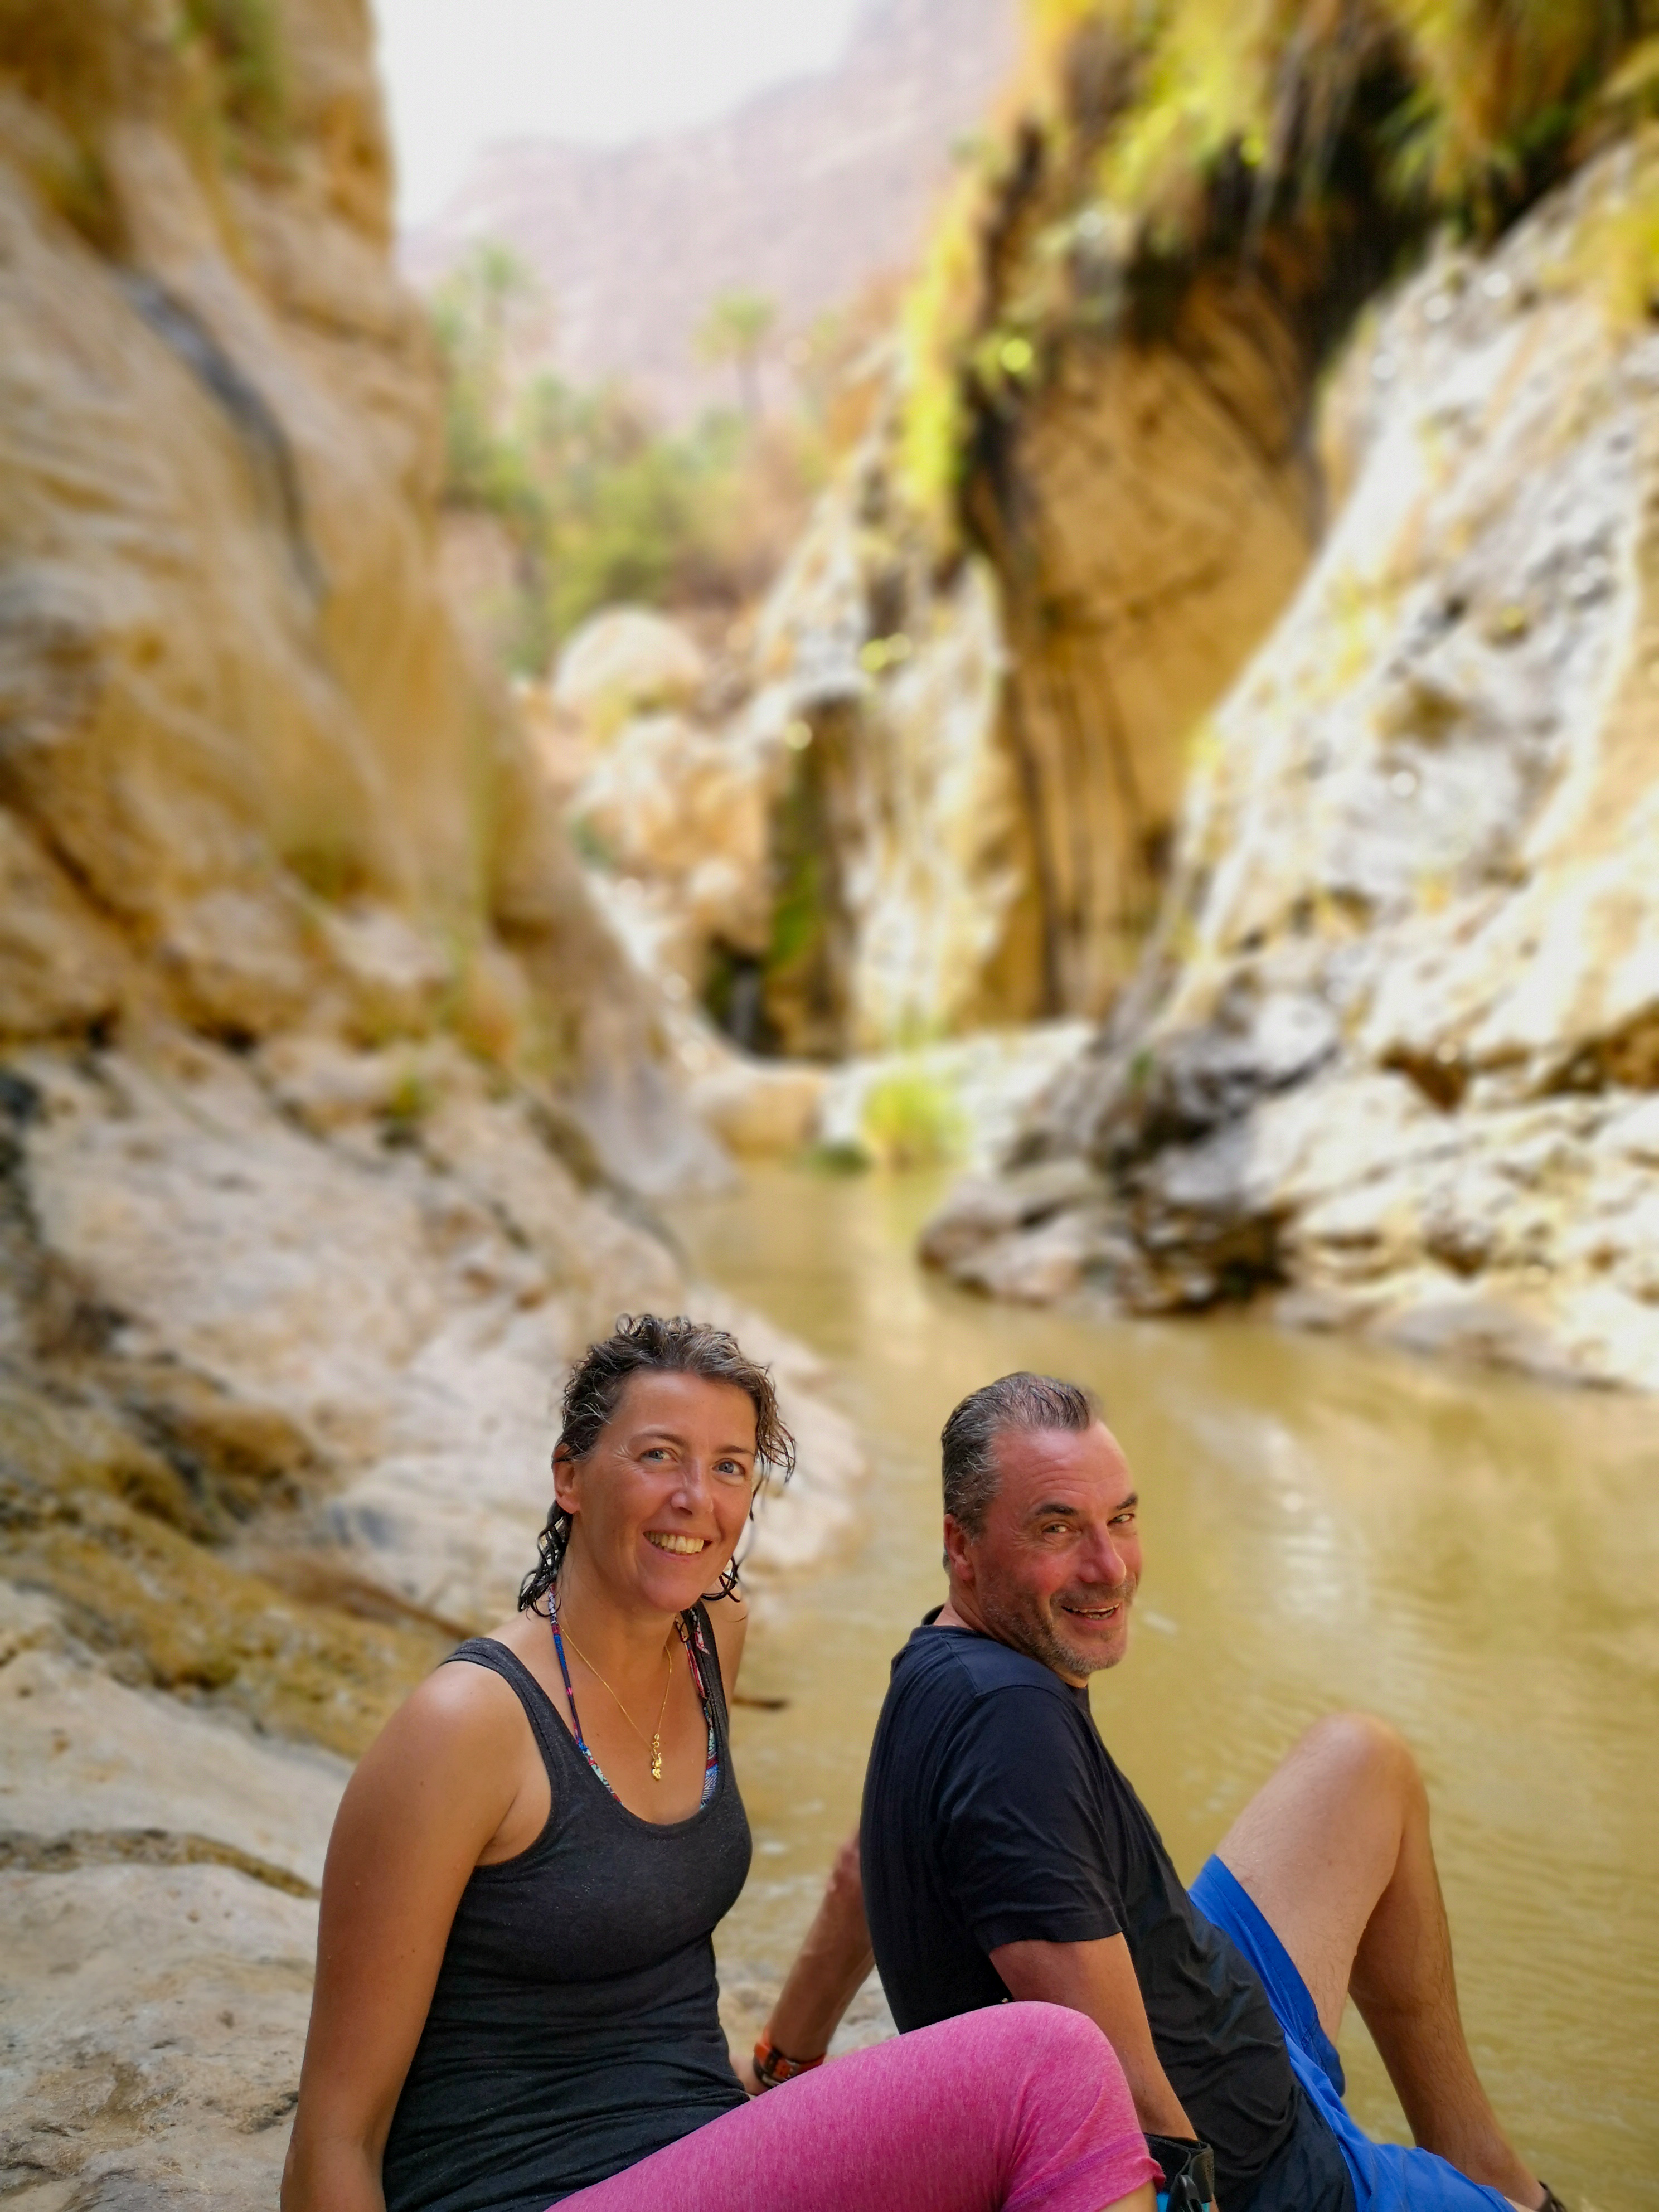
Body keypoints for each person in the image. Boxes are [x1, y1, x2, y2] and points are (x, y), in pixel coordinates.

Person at [281, 1318, 1158, 2212]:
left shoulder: (710, 1642)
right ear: (569, 1476)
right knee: (1051, 2058)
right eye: (659, 1456)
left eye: (731, 1466)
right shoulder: (465, 1726)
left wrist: (778, 2067)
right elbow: (336, 2133)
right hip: (528, 2186)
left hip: (696, 2147)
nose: (696, 1498)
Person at [750, 1371, 1570, 2212]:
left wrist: (784, 2061)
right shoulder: (1013, 1722)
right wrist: (1204, 2194)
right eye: (1059, 1528)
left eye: (1123, 1519)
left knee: (1364, 1763)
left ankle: (1483, 2164)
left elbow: (864, 1871)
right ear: (961, 1546)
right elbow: (1121, 2091)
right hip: (1271, 2168)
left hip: (1225, 2016)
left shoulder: (946, 1655)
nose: (1109, 1568)